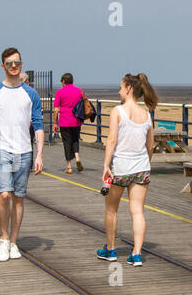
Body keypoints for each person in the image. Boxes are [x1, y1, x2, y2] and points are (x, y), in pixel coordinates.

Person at [0, 47, 44, 262]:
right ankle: (3, 239)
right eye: (10, 63)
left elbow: (38, 125)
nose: (14, 66)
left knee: (19, 199)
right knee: (4, 194)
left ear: (22, 65)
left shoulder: (30, 94)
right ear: (2, 66)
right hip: (1, 148)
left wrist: (39, 154)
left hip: (24, 150)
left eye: (18, 63)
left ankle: (14, 241)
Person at [96, 73, 159, 267]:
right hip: (141, 168)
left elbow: (112, 140)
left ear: (129, 89)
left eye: (121, 87)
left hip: (120, 168)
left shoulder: (118, 111)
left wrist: (106, 165)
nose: (119, 91)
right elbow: (151, 145)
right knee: (137, 211)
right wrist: (144, 163)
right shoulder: (147, 114)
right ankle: (137, 254)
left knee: (111, 210)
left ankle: (111, 250)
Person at [52, 73, 85, 174]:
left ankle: (69, 166)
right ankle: (77, 156)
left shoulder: (60, 92)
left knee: (67, 142)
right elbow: (84, 102)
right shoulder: (79, 91)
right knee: (75, 139)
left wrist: (54, 123)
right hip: (76, 120)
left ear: (63, 81)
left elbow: (56, 110)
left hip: (65, 121)